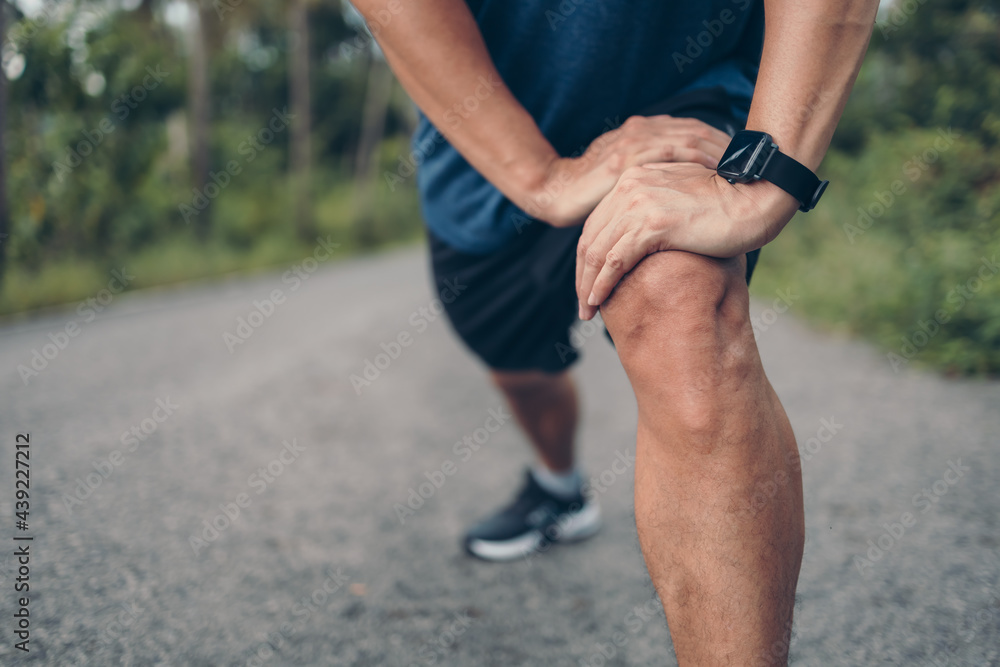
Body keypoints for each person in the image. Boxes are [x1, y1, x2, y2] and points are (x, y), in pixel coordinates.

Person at [351, 0, 879, 663]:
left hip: (682, 108)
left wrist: (772, 180)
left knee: (680, 304)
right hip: (486, 151)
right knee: (521, 366)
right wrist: (543, 179)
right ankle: (559, 486)